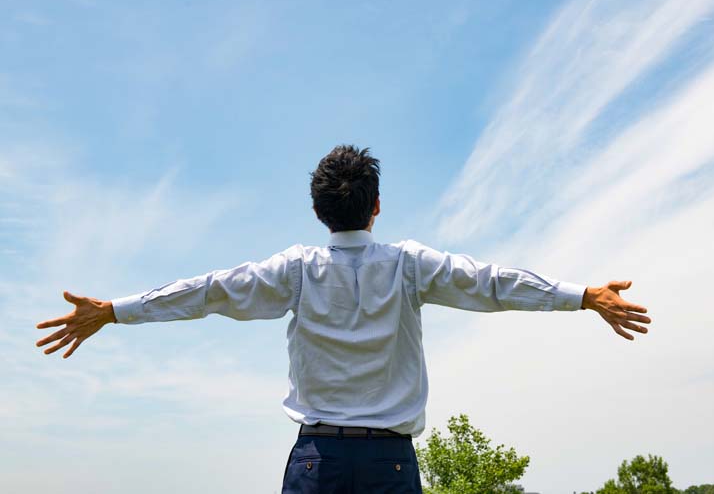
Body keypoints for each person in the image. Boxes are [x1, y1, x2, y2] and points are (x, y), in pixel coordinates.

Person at [35, 144, 651, 493]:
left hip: (315, 462)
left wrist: (116, 310)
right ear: (376, 206)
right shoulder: (410, 265)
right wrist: (583, 295)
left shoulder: (297, 270)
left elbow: (209, 292)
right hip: (390, 464)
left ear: (318, 210)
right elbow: (492, 283)